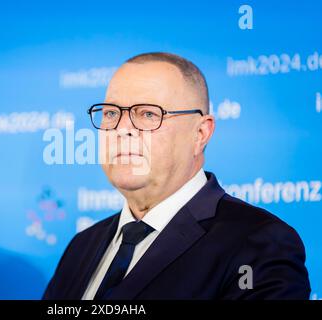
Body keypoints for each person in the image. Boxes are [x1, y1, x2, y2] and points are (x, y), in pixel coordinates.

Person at [42, 52, 311, 300]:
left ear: (200, 134)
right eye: (111, 113)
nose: (122, 129)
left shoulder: (258, 244)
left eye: (148, 114)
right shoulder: (81, 246)